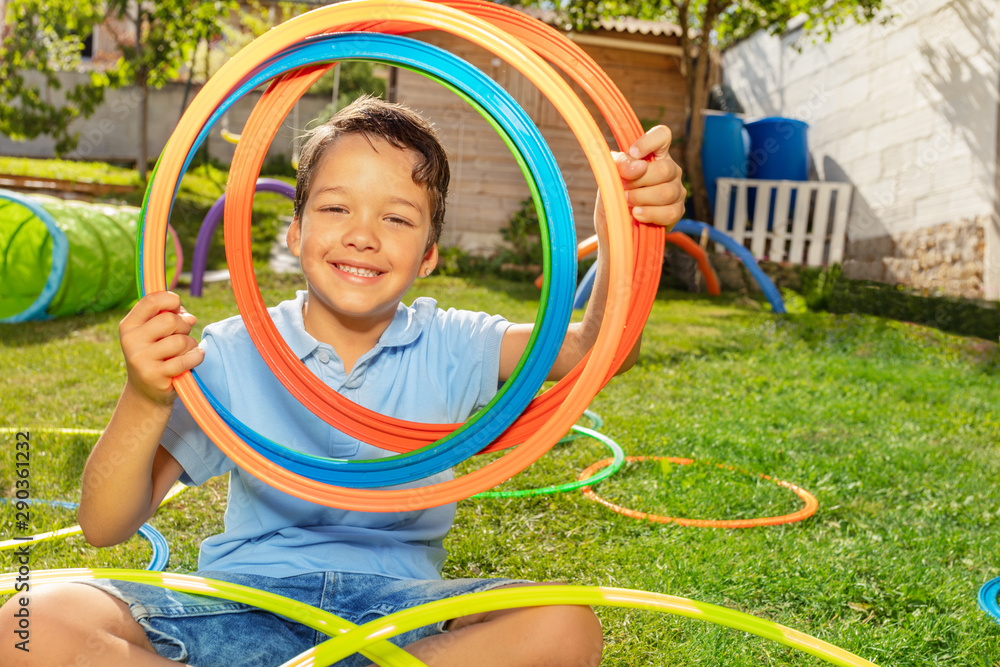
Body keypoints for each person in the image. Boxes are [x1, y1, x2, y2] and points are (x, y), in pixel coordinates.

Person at [0, 96, 684, 666]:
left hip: (401, 621)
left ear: (429, 256)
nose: (363, 234)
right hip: (242, 602)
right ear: (293, 232)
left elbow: (596, 351)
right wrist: (146, 393)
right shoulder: (233, 351)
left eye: (396, 217)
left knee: (565, 625)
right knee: (32, 620)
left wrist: (622, 229)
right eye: (335, 208)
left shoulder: (451, 342)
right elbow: (103, 522)